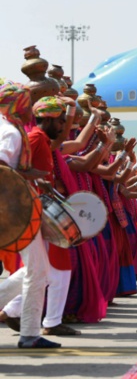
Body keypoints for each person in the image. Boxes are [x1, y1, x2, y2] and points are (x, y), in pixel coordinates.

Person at [0, 83, 59, 348]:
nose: (28, 109)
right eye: (26, 102)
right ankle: (30, 334)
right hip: (16, 210)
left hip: (14, 209)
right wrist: (31, 176)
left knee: (38, 270)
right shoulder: (11, 133)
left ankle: (29, 331)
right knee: (38, 270)